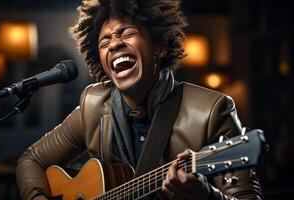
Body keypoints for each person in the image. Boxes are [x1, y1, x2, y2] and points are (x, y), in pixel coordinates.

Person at [16, 0, 263, 199]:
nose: (114, 44)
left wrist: (205, 196)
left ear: (160, 47)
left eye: (127, 32)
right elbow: (31, 161)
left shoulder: (211, 111)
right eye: (105, 41)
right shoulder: (93, 106)